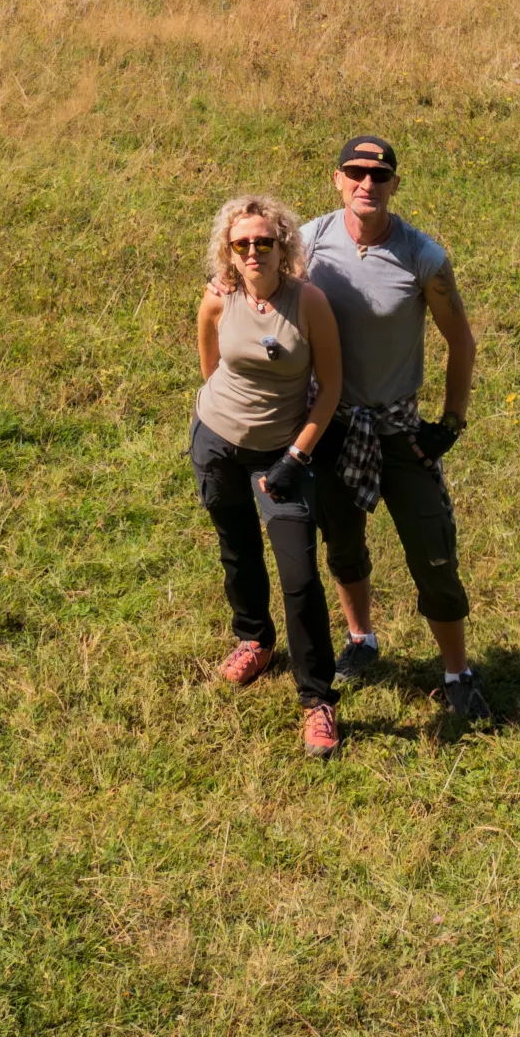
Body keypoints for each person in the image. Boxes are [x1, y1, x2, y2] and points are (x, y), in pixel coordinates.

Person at [302, 135, 493, 727]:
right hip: (332, 426)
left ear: (394, 185)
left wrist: (449, 425)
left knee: (434, 555)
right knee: (342, 544)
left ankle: (457, 674)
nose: (368, 184)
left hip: (398, 430)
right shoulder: (307, 244)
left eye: (380, 175)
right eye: (356, 172)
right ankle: (361, 639)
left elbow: (461, 341)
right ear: (337, 179)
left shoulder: (422, 256)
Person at [190, 192, 346, 759]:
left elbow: (330, 388)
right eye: (242, 244)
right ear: (228, 251)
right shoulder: (218, 297)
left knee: (299, 576)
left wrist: (295, 457)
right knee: (236, 548)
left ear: (284, 246)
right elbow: (211, 366)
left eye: (264, 242)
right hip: (216, 443)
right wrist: (226, 422)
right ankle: (254, 638)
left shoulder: (309, 303)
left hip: (283, 456)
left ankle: (318, 700)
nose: (253, 252)